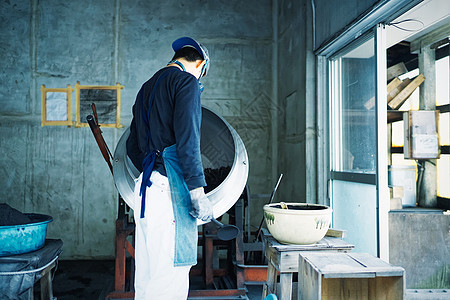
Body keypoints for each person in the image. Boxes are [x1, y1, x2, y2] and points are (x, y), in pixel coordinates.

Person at [126, 37, 214, 299]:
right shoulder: (186, 82)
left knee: (147, 275)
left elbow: (132, 147)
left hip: (144, 190)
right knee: (168, 279)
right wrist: (198, 192)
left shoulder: (146, 87)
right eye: (202, 75)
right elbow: (188, 140)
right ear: (200, 63)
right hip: (168, 193)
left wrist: (151, 166)